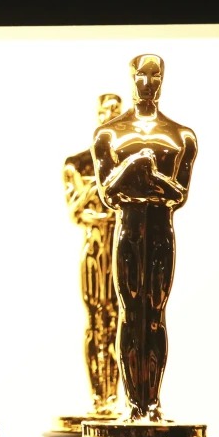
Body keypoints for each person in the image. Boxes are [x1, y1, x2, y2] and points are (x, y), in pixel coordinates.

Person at [93, 54, 196, 422]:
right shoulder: (110, 134)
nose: (149, 81)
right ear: (132, 77)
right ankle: (134, 404)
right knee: (128, 311)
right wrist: (137, 170)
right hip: (128, 227)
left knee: (153, 313)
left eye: (156, 74)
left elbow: (179, 193)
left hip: (161, 230)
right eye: (142, 74)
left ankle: (150, 403)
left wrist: (145, 177)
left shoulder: (181, 136)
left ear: (163, 79)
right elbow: (107, 193)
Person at [62, 94, 122, 416]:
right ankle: (99, 397)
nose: (109, 117)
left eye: (115, 112)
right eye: (105, 112)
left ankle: (113, 397)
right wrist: (96, 189)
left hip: (119, 246)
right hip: (94, 246)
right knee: (94, 320)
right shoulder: (78, 163)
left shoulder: (127, 160)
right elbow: (76, 211)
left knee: (118, 320)